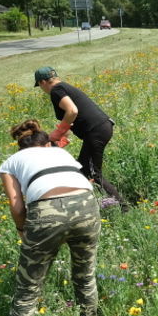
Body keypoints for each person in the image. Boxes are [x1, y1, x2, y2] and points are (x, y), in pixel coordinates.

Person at [0, 119, 101, 316]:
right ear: (46, 144)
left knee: (29, 285)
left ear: (21, 146)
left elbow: (16, 205)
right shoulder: (60, 153)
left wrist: (21, 229)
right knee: (85, 275)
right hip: (86, 204)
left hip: (46, 211)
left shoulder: (10, 162)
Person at [33, 66, 127, 209]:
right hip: (101, 128)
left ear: (42, 82)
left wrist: (58, 133)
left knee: (93, 173)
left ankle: (123, 207)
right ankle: (82, 206)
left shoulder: (56, 90)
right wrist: (59, 139)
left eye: (40, 86)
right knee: (83, 170)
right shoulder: (64, 87)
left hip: (96, 131)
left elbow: (72, 111)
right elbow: (71, 119)